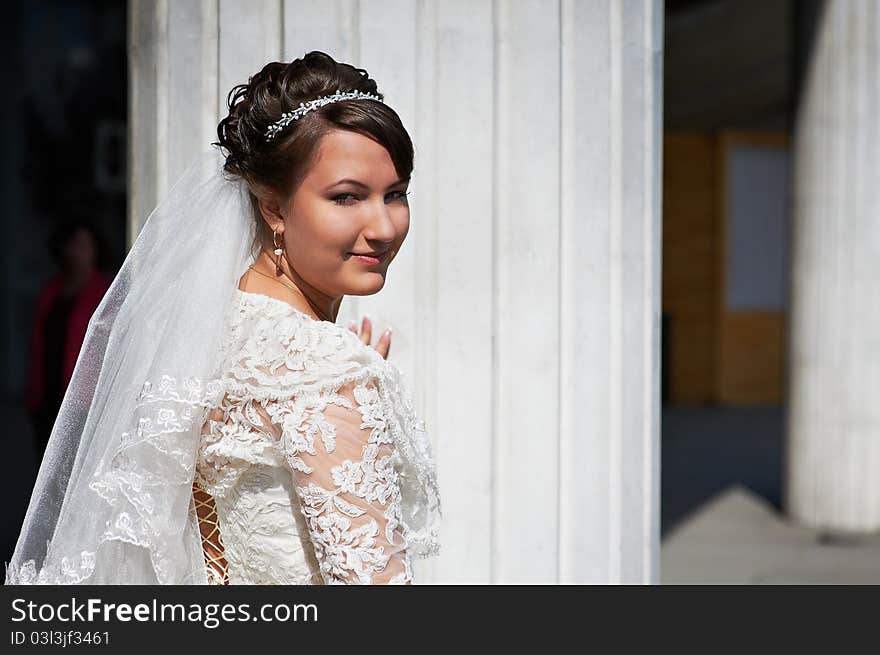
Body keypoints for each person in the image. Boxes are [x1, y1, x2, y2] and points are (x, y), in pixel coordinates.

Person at [5, 51, 441, 585]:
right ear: (274, 207)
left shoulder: (203, 333)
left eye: (395, 194)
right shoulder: (330, 375)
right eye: (347, 197)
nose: (383, 226)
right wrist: (345, 389)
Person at [26, 222, 111, 460]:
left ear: (95, 250)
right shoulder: (51, 291)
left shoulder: (103, 292)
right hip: (48, 394)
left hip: (83, 400)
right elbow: (37, 345)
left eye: (81, 245)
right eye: (70, 244)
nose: (74, 251)